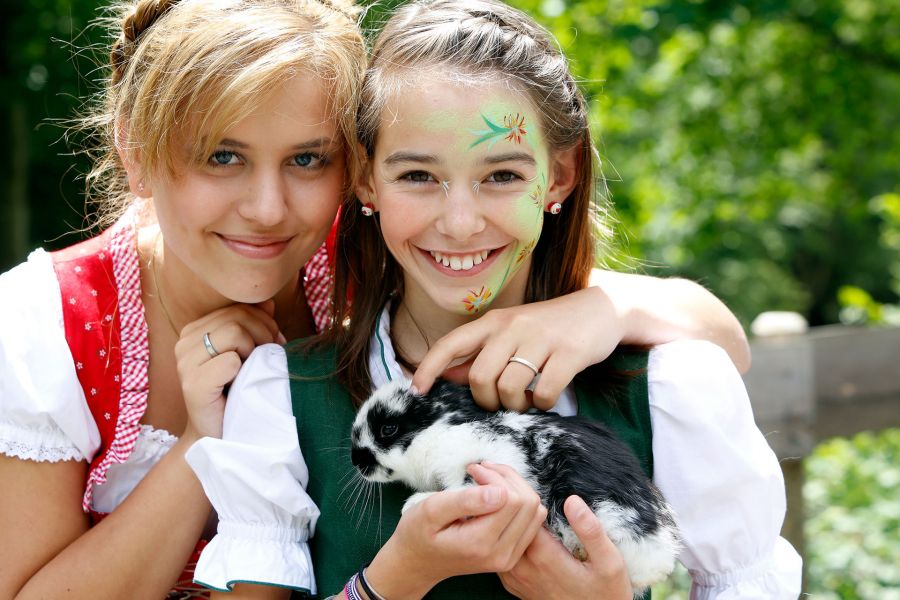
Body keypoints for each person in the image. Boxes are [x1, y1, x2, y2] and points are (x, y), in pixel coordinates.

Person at [0, 0, 751, 598]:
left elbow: (720, 342)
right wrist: (207, 439)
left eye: (307, 158)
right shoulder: (47, 326)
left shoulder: (384, 253)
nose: (267, 208)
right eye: (221, 157)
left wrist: (601, 309)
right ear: (136, 152)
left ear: (352, 171)